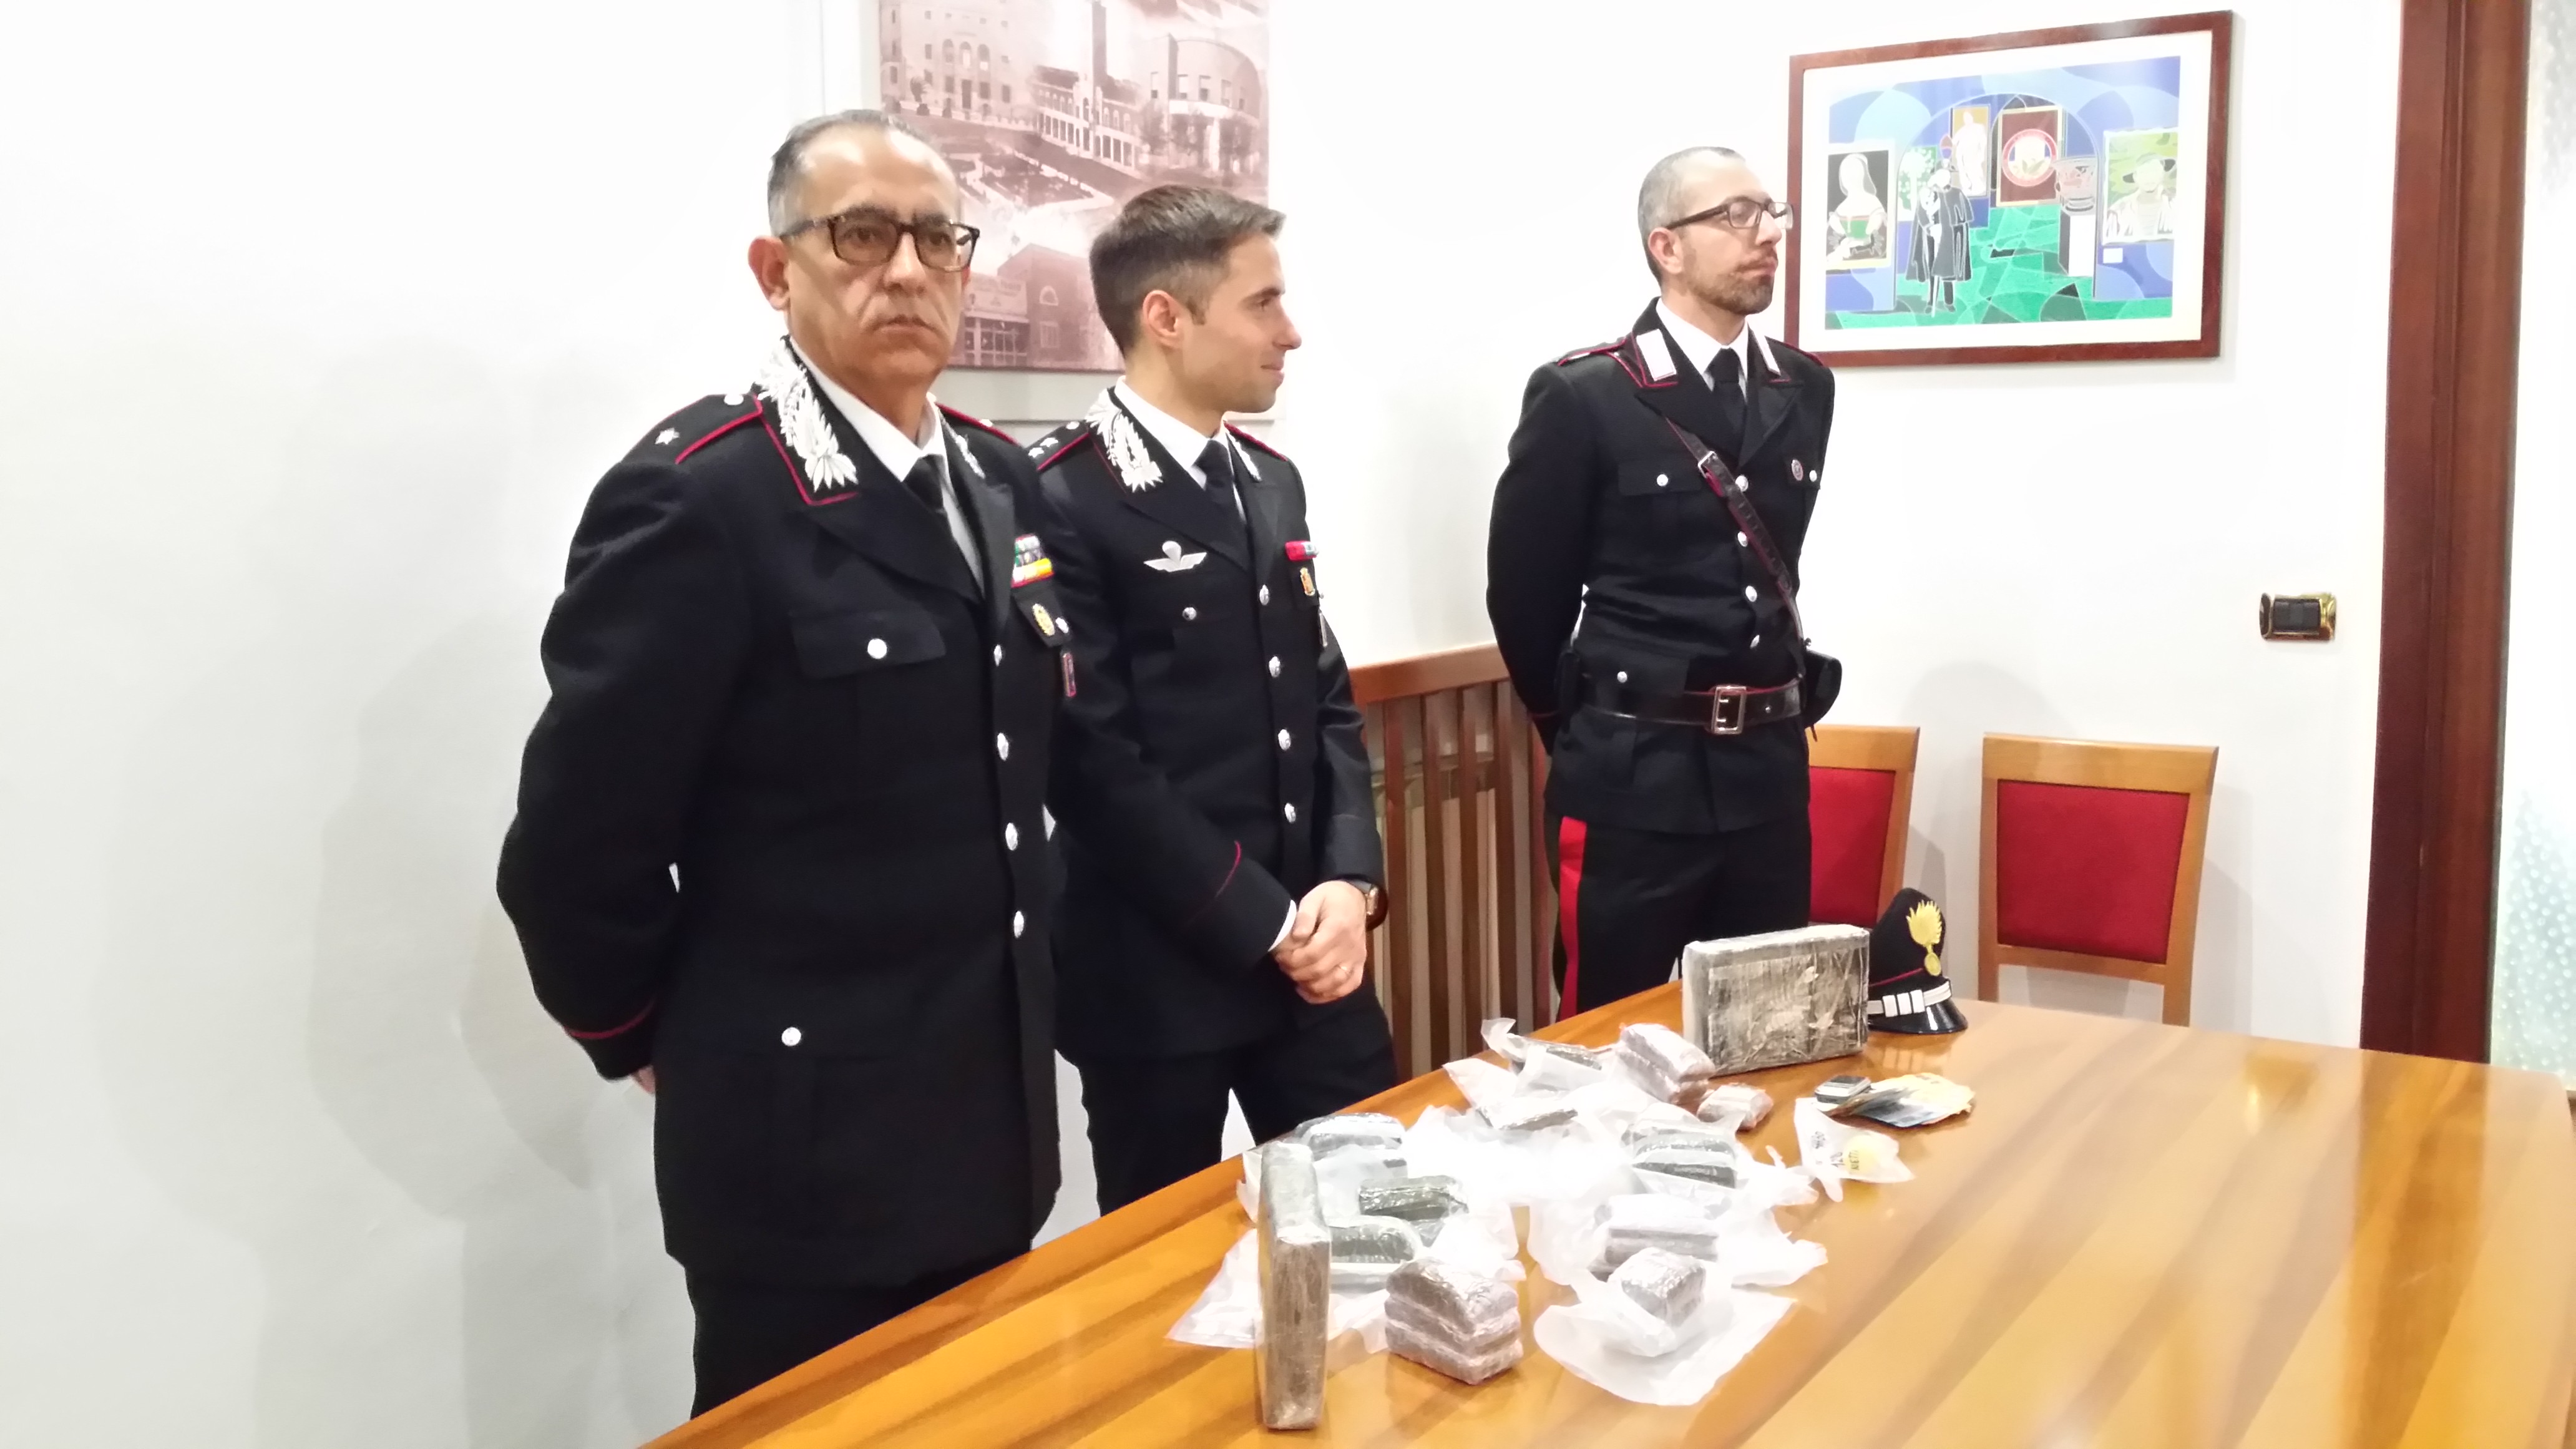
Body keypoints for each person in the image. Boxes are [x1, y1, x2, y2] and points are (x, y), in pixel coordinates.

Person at [496, 110, 1072, 1415]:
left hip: (987, 1120)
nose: (907, 271)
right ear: (777, 270)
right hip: (800, 1149)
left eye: (936, 239)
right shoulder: (706, 495)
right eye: (861, 236)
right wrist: (659, 1037)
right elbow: (576, 848)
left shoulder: (994, 478)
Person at [1024, 186, 1397, 1212]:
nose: (1291, 331)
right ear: (1166, 317)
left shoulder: (1268, 480)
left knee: (1375, 1216)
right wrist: (1265, 921)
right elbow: (1090, 759)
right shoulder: (1058, 493)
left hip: (1315, 951)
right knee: (1168, 1263)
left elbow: (1323, 697)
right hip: (1157, 966)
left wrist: (1349, 881)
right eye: (1263, 303)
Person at [1485, 145, 1840, 1017]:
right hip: (1633, 775)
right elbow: (1525, 598)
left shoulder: (1804, 386)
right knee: (1611, 1034)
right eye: (1736, 215)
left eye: (1772, 212)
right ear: (1666, 247)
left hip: (1766, 773)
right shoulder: (1587, 394)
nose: (1767, 234)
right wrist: (1581, 725)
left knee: (1766, 1029)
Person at [1827, 152, 1888, 265]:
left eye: (1855, 171)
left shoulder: (1873, 202)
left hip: (1869, 258)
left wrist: (1854, 250)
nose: (1850, 176)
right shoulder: (1841, 208)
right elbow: (1829, 243)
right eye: (1846, 172)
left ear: (1863, 175)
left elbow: (1882, 242)